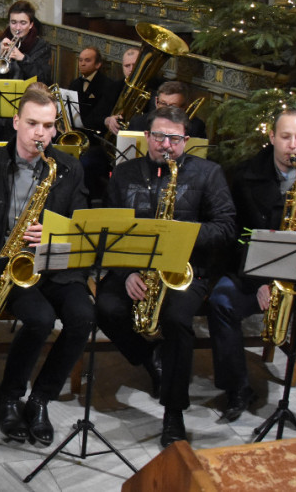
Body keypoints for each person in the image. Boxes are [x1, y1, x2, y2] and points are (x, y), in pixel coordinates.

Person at [0, 85, 92, 446]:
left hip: (55, 262)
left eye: (48, 126)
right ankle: (10, 397)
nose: (40, 134)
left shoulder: (68, 167)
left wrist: (55, 232)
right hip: (7, 267)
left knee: (83, 317)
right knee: (40, 319)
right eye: (32, 123)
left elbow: (81, 224)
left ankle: (41, 398)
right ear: (16, 122)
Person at [95, 106, 236, 448]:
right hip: (134, 266)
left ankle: (174, 411)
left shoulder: (208, 174)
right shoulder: (125, 173)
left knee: (176, 320)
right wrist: (127, 272)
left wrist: (182, 235)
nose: (166, 146)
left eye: (175, 139)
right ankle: (150, 358)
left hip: (184, 272)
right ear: (147, 138)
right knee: (105, 308)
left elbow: (227, 226)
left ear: (186, 141)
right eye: (159, 137)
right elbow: (108, 230)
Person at [208, 109, 296, 431]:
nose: (293, 146)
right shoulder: (244, 175)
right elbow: (236, 236)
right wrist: (260, 280)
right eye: (285, 137)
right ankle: (237, 388)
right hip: (263, 276)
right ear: (271, 137)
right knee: (222, 302)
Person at [0, 0, 51, 84]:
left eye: (23, 23)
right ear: (9, 23)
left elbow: (43, 79)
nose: (17, 28)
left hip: (29, 94)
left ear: (31, 25)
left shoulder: (41, 46)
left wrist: (23, 59)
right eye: (13, 22)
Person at [125, 80, 206, 139]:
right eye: (163, 103)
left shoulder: (195, 127)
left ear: (184, 107)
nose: (166, 110)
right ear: (156, 101)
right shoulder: (138, 123)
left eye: (173, 106)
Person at [68, 47, 116, 134]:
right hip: (76, 130)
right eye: (80, 60)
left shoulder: (108, 85)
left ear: (98, 64)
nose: (82, 64)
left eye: (87, 60)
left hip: (95, 133)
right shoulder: (74, 84)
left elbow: (102, 114)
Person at [104, 47, 142, 135]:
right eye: (127, 66)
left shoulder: (156, 86)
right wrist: (108, 120)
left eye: (135, 65)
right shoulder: (113, 87)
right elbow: (99, 114)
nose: (131, 69)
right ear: (122, 67)